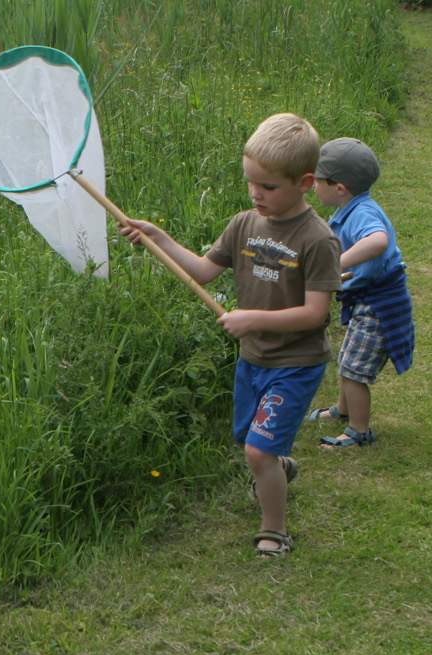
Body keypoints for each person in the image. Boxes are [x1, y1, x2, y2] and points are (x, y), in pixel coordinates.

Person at [117, 113, 340, 557]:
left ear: (304, 182)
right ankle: (278, 465)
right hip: (253, 358)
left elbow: (316, 313)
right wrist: (159, 239)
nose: (257, 194)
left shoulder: (317, 240)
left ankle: (274, 530)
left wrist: (252, 317)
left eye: (269, 187)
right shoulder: (243, 225)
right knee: (252, 442)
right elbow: (202, 269)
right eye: (251, 183)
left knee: (256, 452)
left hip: (294, 363)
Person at [307, 137, 414, 448]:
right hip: (367, 299)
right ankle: (342, 410)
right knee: (348, 358)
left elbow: (378, 242)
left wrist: (336, 263)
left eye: (318, 179)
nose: (313, 184)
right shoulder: (352, 208)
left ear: (340, 187)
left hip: (379, 305)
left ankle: (359, 430)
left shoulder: (363, 213)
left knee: (355, 369)